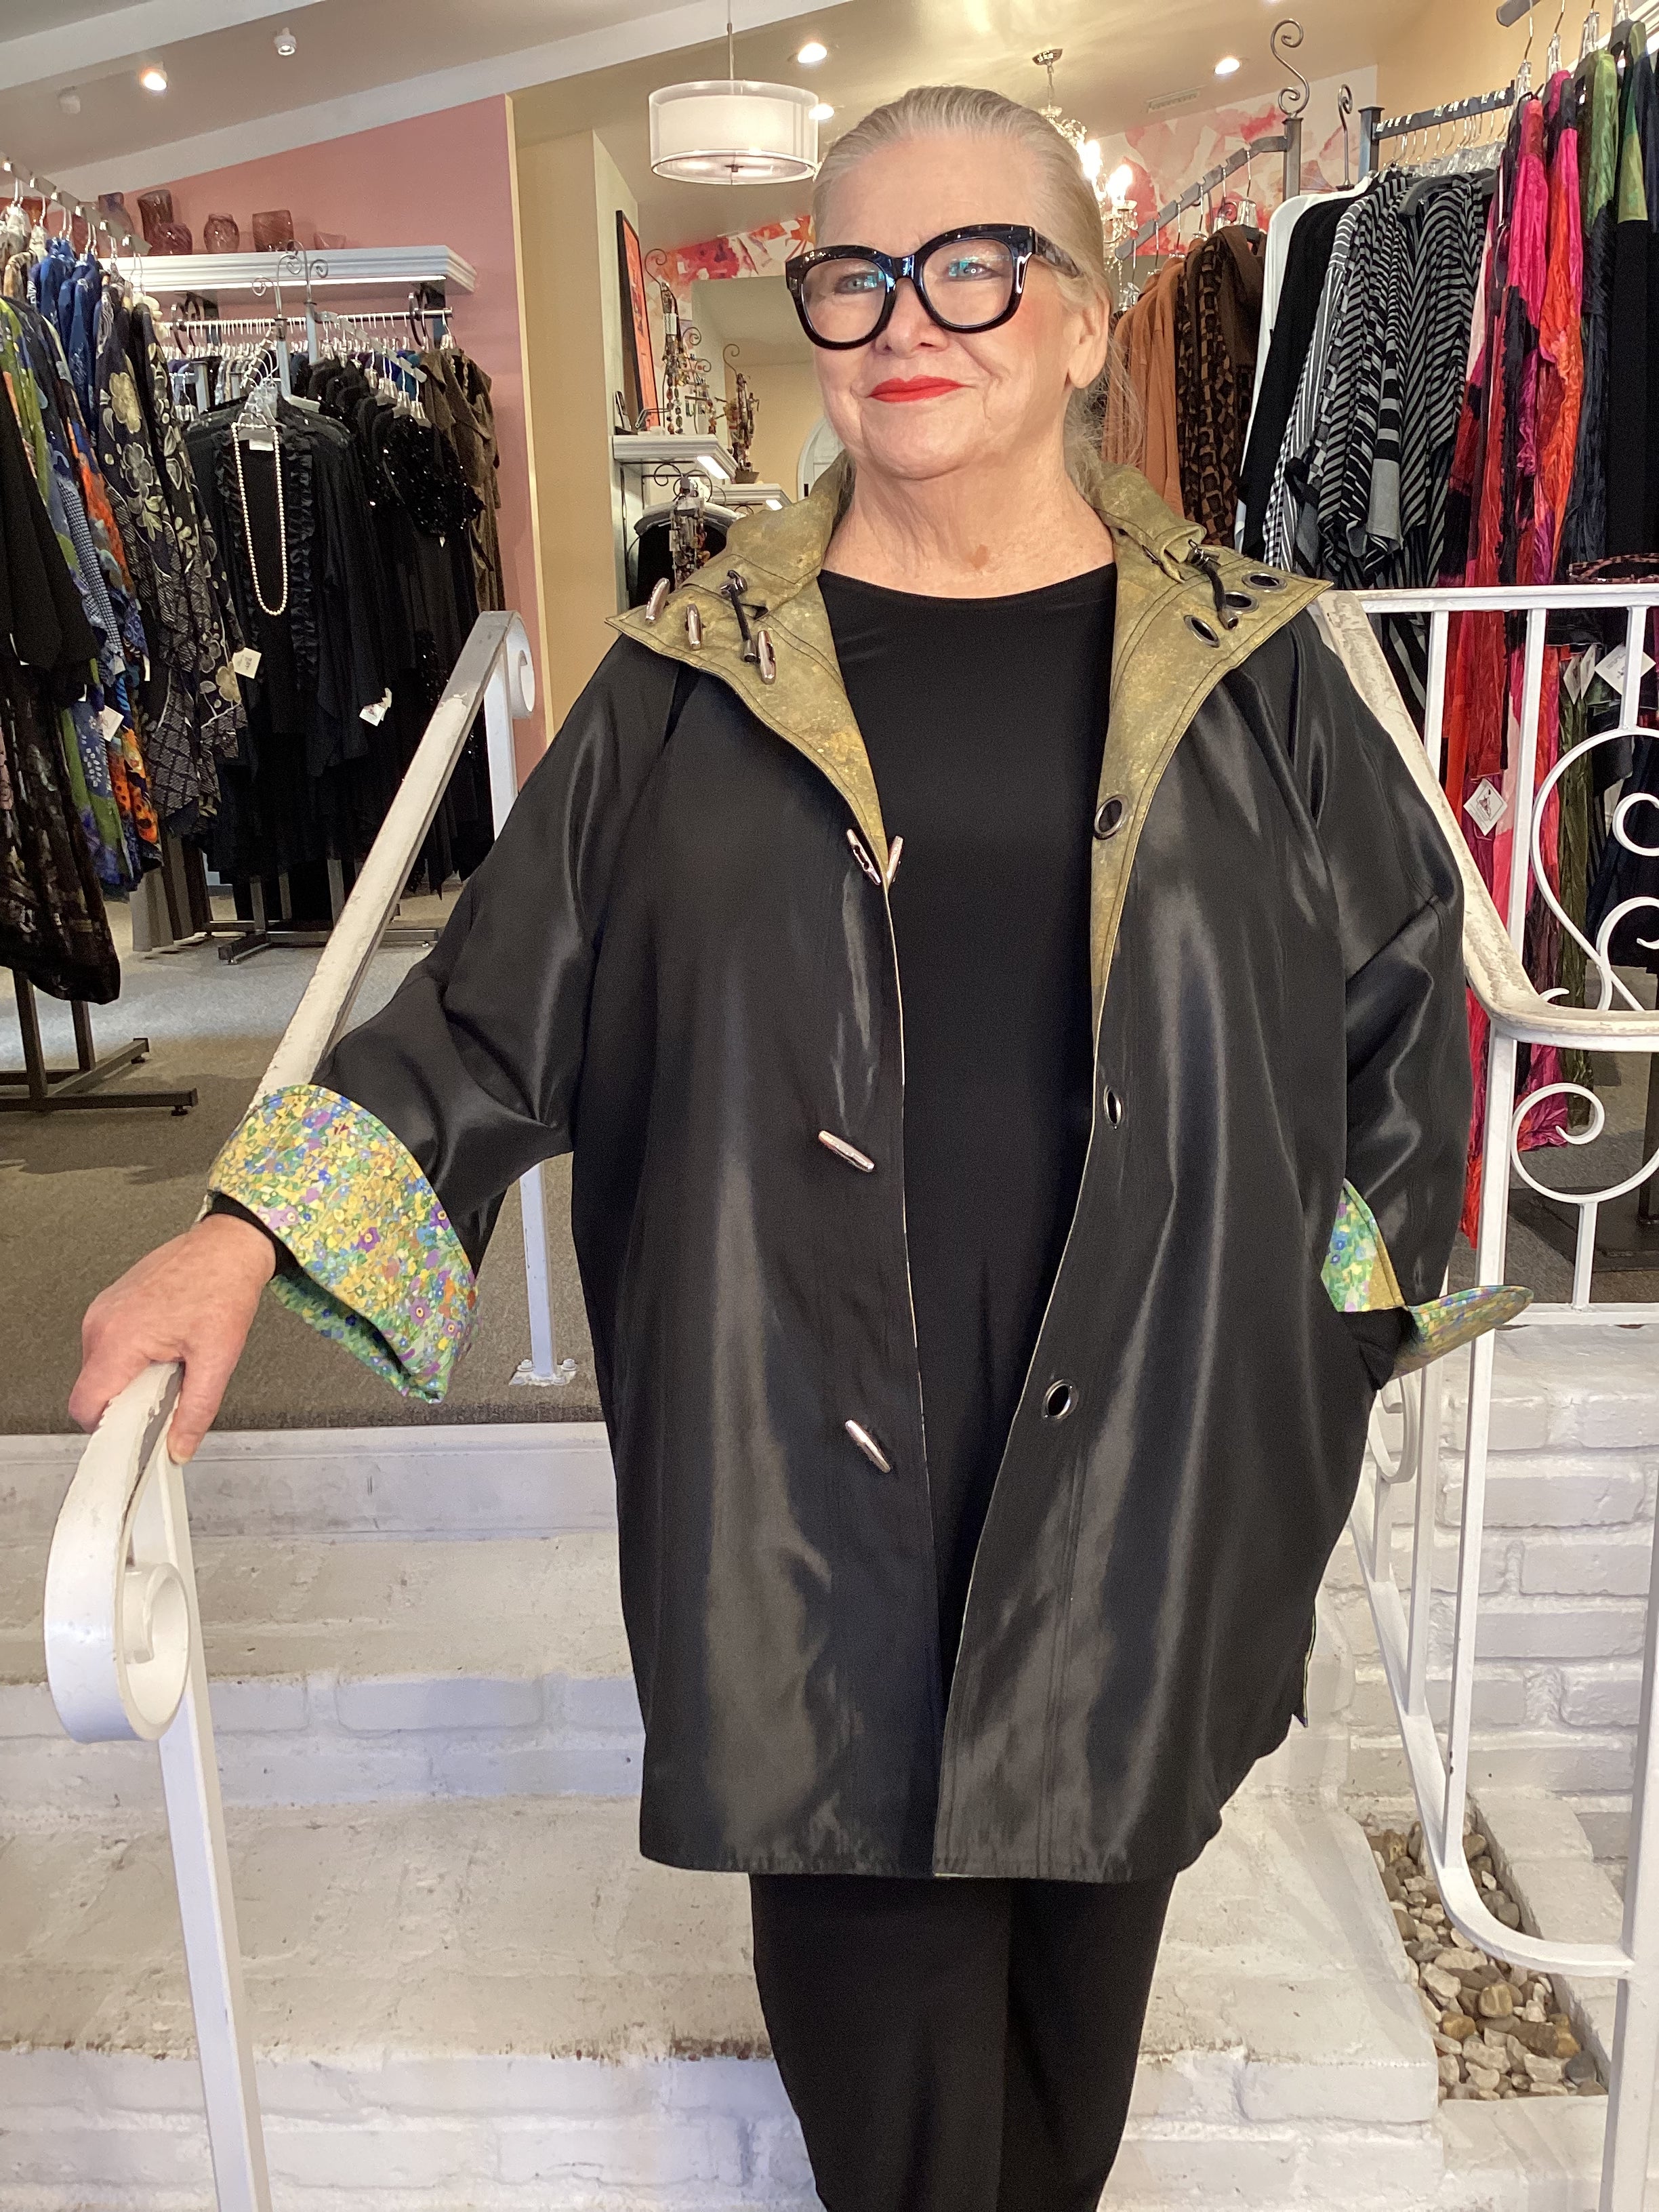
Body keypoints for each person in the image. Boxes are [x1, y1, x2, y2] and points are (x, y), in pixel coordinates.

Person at [74, 84, 1515, 2212]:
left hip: (1148, 1502)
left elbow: (1406, 1038)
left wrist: (1306, 1360)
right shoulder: (685, 688)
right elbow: (482, 1014)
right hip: (819, 1526)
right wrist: (244, 1230)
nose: (907, 316)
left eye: (975, 264)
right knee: (910, 2143)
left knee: (1064, 2104)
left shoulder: (1262, 677)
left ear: (1088, 318)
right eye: (855, 273)